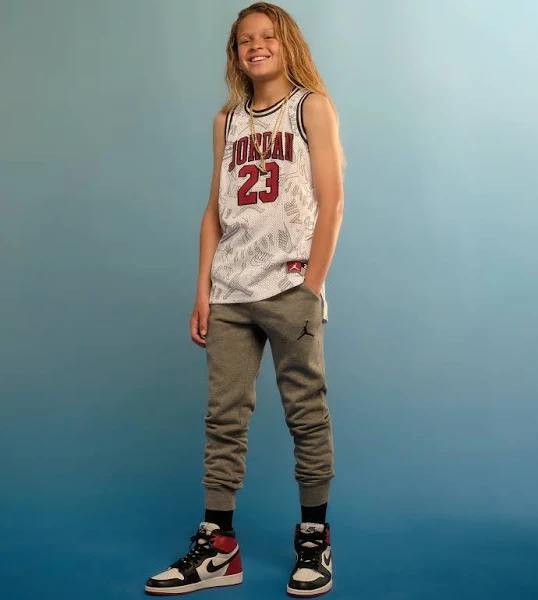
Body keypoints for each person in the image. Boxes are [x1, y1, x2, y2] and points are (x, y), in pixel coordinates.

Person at [145, 2, 344, 597]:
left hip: (289, 286)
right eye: (244, 40)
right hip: (230, 290)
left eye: (267, 36)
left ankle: (315, 535)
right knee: (224, 416)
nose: (256, 45)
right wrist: (203, 290)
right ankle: (219, 548)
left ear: (287, 44)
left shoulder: (311, 106)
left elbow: (332, 200)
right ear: (234, 53)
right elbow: (214, 209)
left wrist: (310, 286)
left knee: (305, 411)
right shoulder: (227, 121)